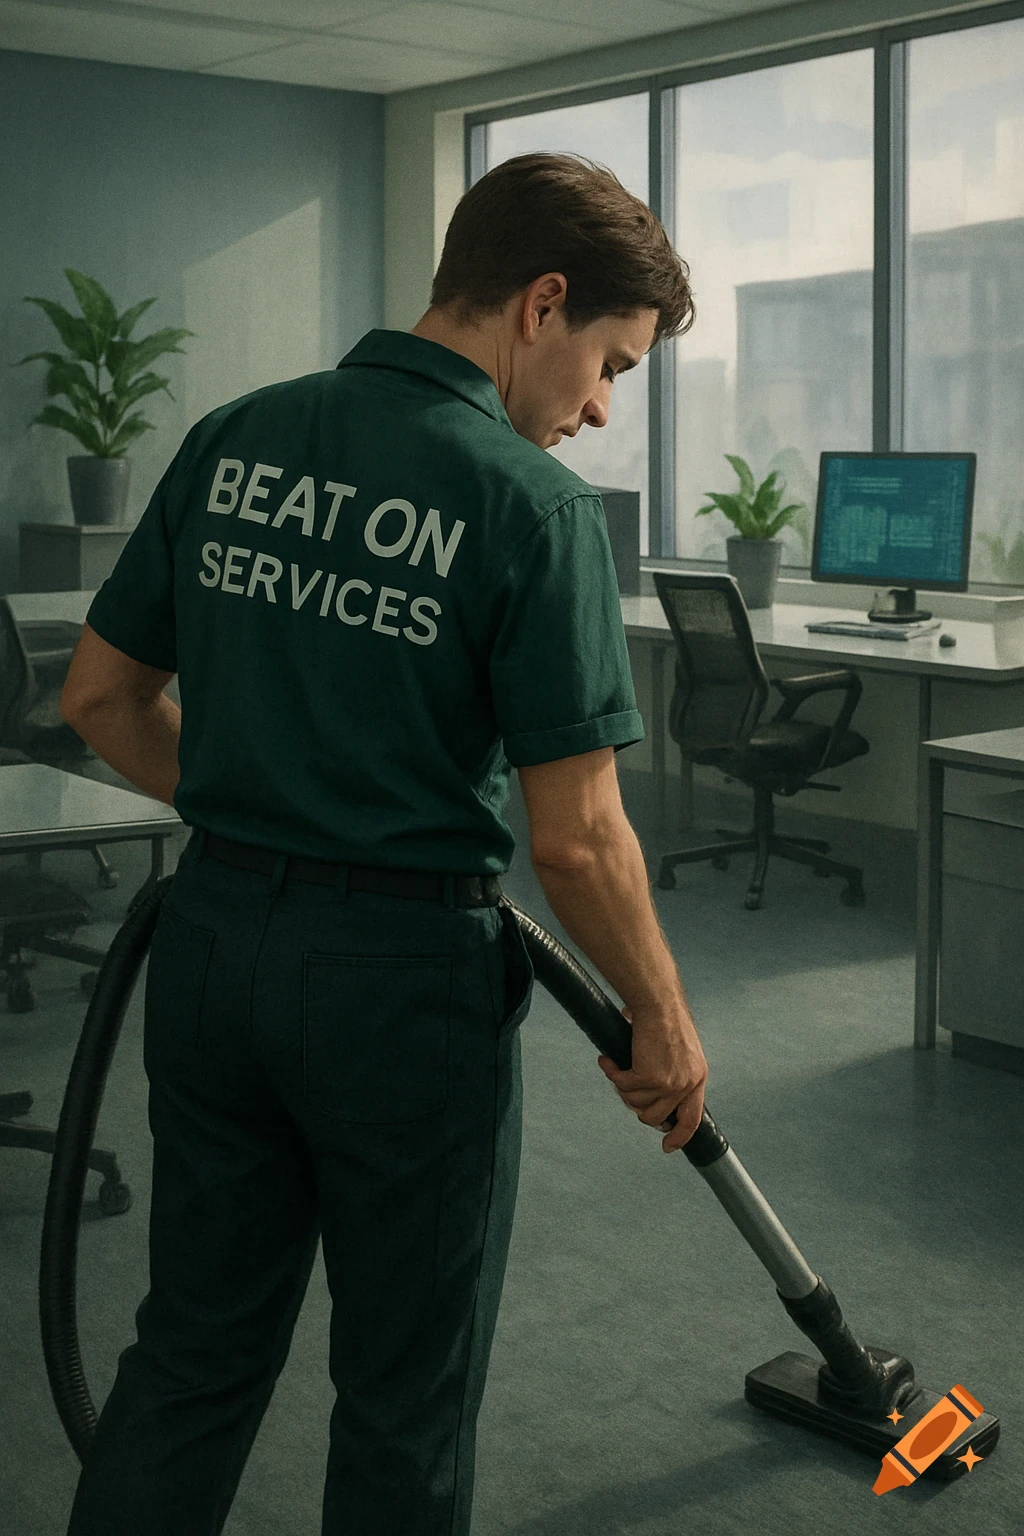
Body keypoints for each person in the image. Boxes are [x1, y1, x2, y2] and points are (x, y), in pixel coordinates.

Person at [58, 150, 709, 1536]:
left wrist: (256, 802)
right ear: (542, 302)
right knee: (404, 1396)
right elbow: (578, 840)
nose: (601, 407)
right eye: (612, 364)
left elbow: (100, 699)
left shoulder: (234, 435)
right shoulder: (531, 507)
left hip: (210, 945)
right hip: (401, 990)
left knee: (190, 1354)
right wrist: (661, 1018)